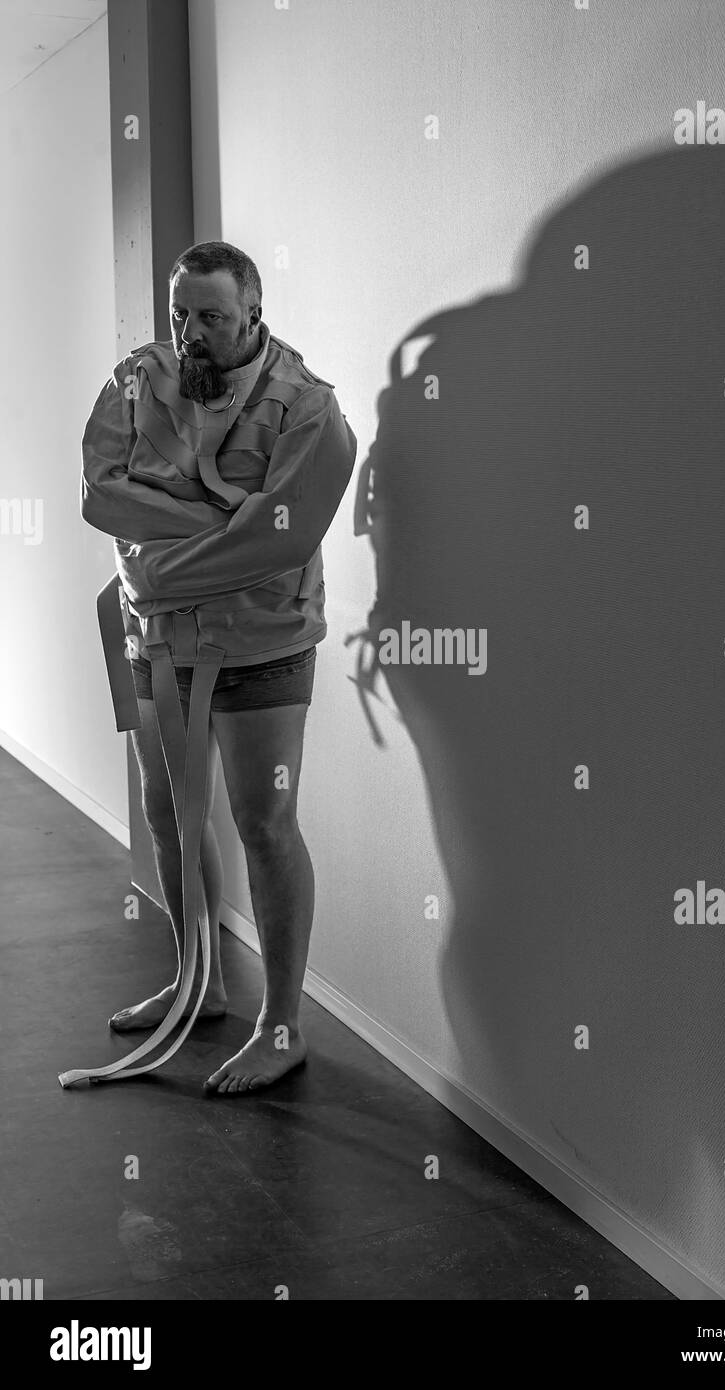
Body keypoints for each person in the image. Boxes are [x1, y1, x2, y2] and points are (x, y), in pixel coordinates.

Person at [79, 240, 357, 1094]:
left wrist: (159, 558)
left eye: (212, 317)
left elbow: (284, 540)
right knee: (168, 813)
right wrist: (221, 518)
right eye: (180, 315)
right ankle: (194, 980)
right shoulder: (137, 381)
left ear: (253, 316)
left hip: (261, 648)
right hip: (153, 641)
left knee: (263, 823)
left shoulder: (311, 410)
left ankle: (281, 1025)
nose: (192, 333)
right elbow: (101, 493)